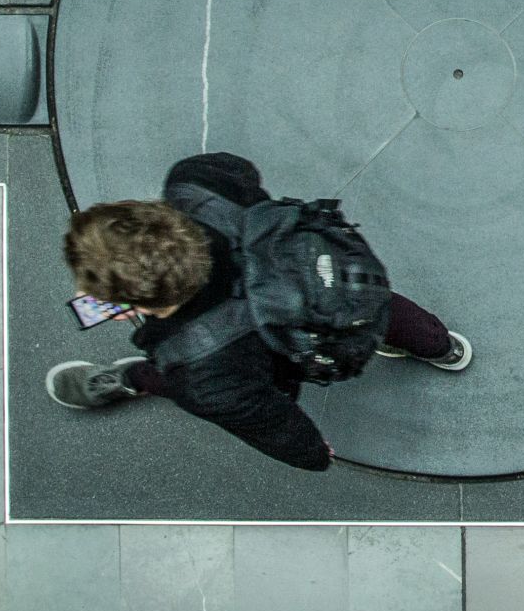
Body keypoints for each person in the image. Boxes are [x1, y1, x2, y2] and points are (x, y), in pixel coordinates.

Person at [45, 152, 470, 471]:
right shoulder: (194, 183)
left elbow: (276, 424)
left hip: (277, 350)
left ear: (130, 307)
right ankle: (441, 346)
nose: (82, 291)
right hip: (340, 286)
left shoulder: (202, 373)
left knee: (168, 377)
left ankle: (130, 379)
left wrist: (313, 453)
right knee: (378, 310)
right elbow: (241, 170)